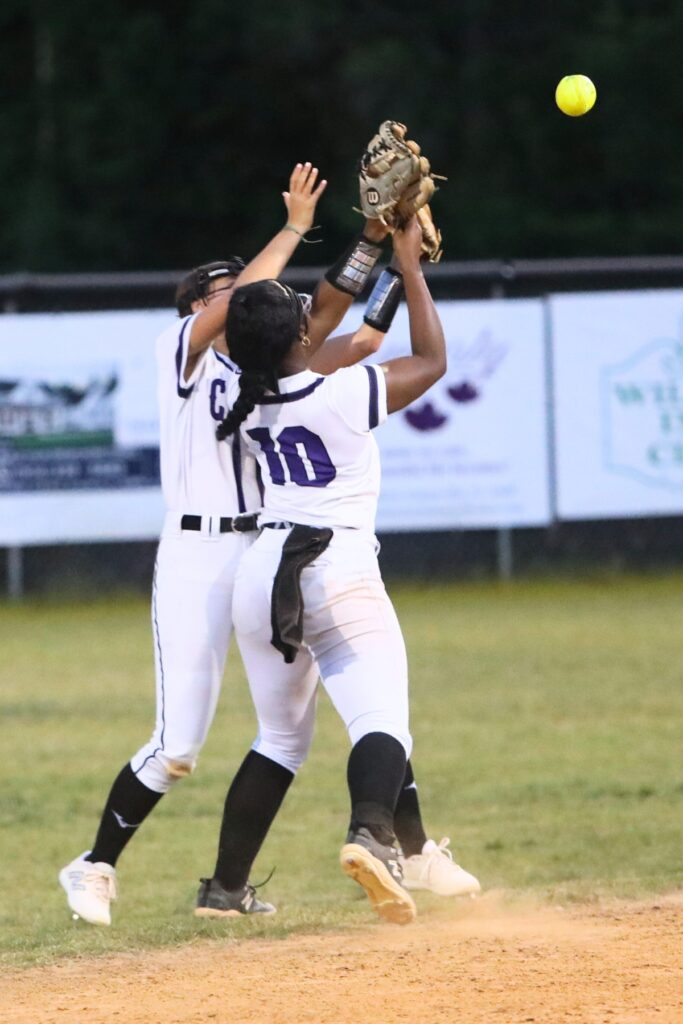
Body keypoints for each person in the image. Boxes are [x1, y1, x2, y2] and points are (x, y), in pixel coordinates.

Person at [58, 161, 472, 926]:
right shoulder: (184, 355)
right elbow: (335, 326)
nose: (240, 294)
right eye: (224, 290)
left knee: (308, 723)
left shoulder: (264, 374)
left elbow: (326, 310)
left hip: (263, 558)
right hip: (211, 558)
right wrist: (358, 249)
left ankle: (394, 849)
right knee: (187, 743)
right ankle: (96, 864)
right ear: (196, 311)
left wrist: (374, 240)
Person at [202, 216, 465, 924]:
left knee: (279, 739)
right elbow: (431, 362)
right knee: (382, 718)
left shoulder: (230, 389)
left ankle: (224, 890)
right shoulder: (338, 392)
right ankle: (373, 837)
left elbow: (315, 319)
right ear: (299, 339)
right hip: (334, 564)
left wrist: (377, 241)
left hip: (262, 574)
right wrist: (409, 269)